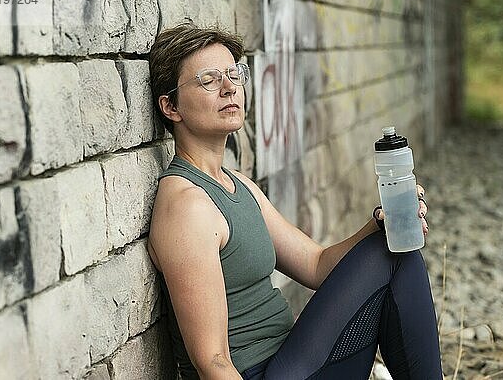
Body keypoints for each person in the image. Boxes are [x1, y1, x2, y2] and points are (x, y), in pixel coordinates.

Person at [147, 22, 442, 380]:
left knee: (396, 249)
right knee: (392, 258)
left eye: (233, 74)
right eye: (209, 80)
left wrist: (379, 224)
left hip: (294, 362)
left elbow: (317, 266)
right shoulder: (187, 206)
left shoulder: (237, 185)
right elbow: (213, 362)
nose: (229, 88)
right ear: (171, 106)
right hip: (258, 374)